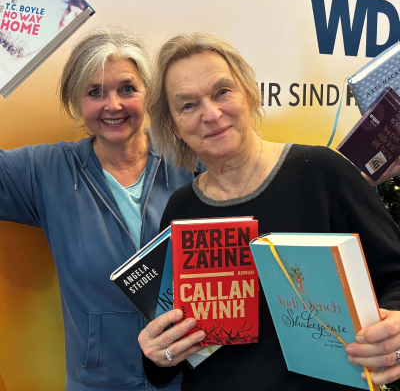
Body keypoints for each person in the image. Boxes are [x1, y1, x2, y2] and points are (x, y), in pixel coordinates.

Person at [138, 32, 400, 391]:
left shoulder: (321, 172)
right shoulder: (181, 208)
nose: (211, 114)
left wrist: (395, 326)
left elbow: (395, 276)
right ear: (173, 127)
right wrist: (158, 356)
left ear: (248, 94)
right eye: (188, 106)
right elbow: (175, 343)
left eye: (222, 92)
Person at [0, 26, 201, 390]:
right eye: (95, 92)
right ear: (76, 101)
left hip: (188, 378)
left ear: (149, 93)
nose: (113, 105)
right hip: (100, 382)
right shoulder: (46, 171)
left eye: (127, 89)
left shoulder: (189, 160)